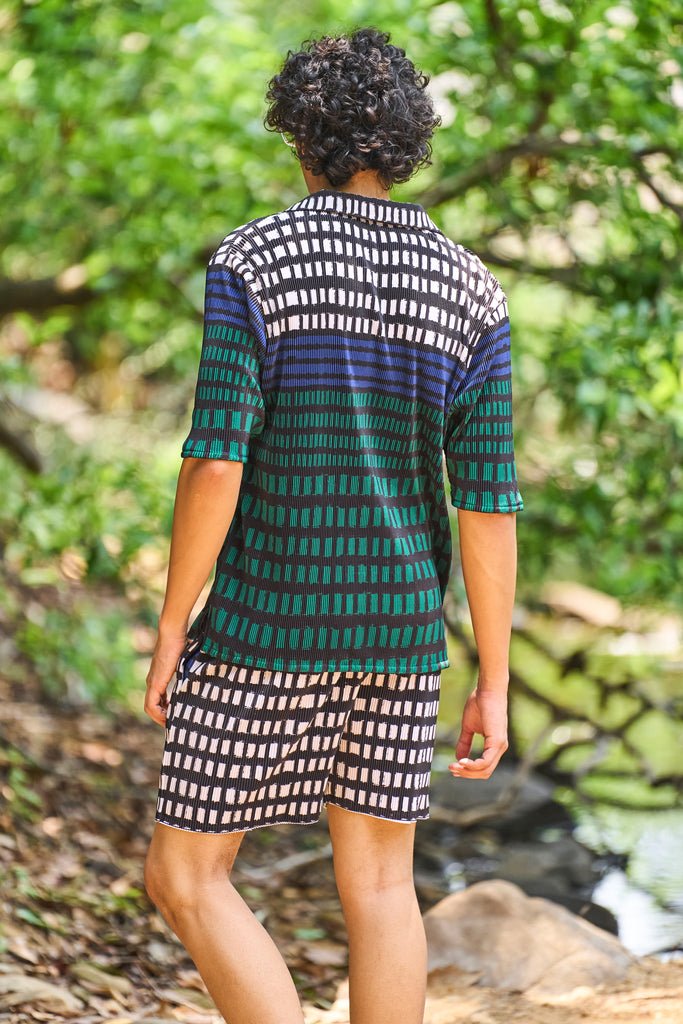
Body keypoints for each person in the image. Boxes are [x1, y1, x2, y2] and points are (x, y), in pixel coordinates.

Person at [143, 26, 522, 1024]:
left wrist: (175, 620)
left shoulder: (254, 260)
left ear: (300, 139)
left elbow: (215, 458)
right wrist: (492, 678)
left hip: (266, 622)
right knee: (383, 888)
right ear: (404, 143)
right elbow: (486, 502)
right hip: (399, 634)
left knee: (185, 874)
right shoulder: (472, 289)